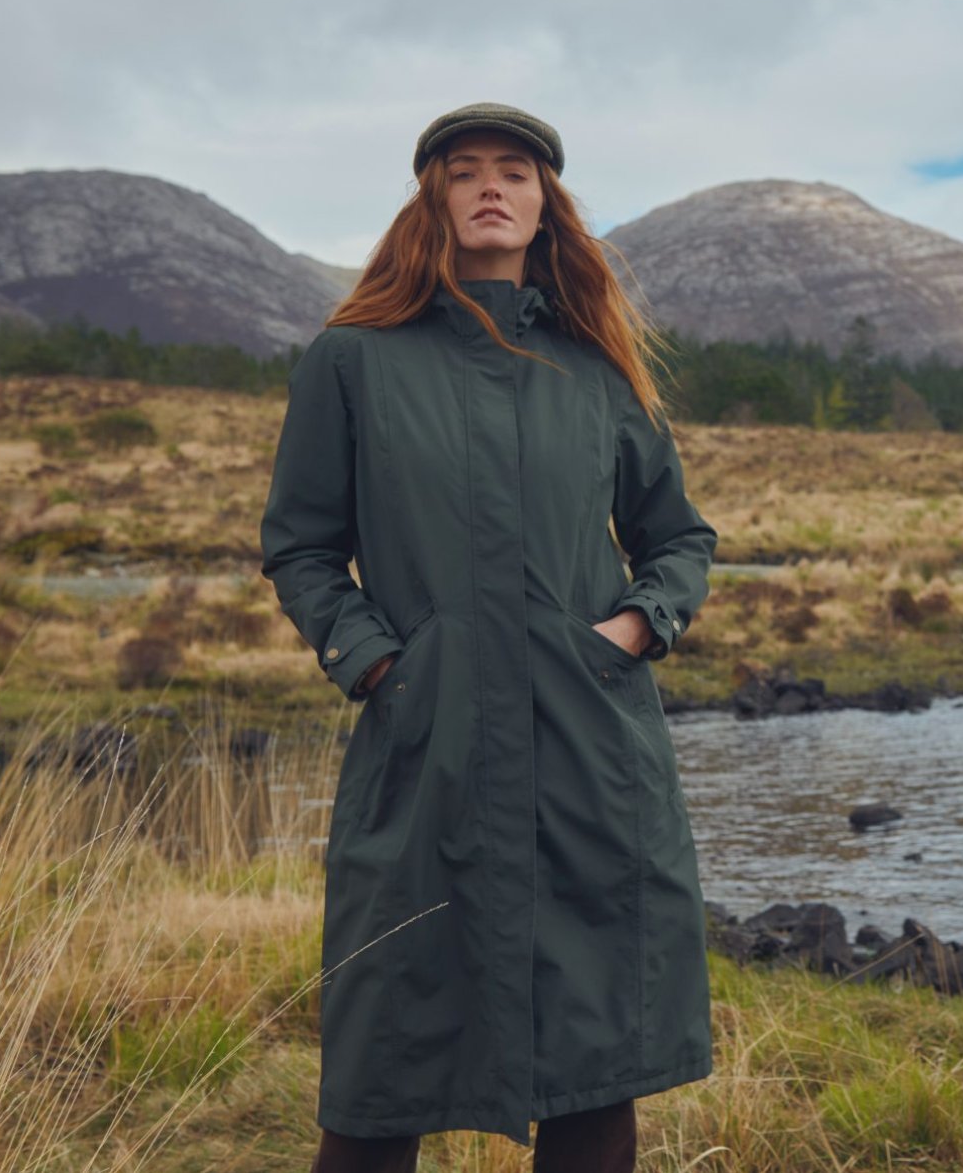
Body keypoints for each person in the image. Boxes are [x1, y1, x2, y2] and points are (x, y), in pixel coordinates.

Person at [259, 102, 718, 1173]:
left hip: (589, 756)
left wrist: (631, 630)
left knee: (595, 1067)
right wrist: (376, 658)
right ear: (433, 199)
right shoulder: (352, 358)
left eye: (513, 169)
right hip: (429, 751)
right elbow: (301, 546)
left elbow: (678, 538)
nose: (489, 186)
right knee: (381, 1067)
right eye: (462, 171)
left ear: (544, 199)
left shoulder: (597, 366)